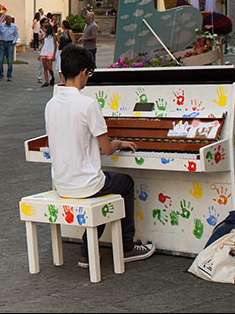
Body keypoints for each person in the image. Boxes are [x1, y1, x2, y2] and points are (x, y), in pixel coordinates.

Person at [45, 45, 155, 268]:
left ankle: (88, 250)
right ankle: (126, 247)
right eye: (89, 75)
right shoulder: (88, 104)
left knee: (102, 187)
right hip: (86, 184)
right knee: (124, 183)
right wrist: (120, 142)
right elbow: (107, 149)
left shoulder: (51, 103)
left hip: (62, 183)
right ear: (84, 72)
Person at [0, 15, 18, 81]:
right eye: (8, 19)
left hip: (10, 43)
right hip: (2, 43)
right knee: (0, 60)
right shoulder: (2, 25)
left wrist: (14, 41)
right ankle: (1, 74)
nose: (9, 21)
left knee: (10, 60)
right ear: (5, 20)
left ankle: (9, 75)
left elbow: (16, 35)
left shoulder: (14, 26)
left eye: (10, 19)